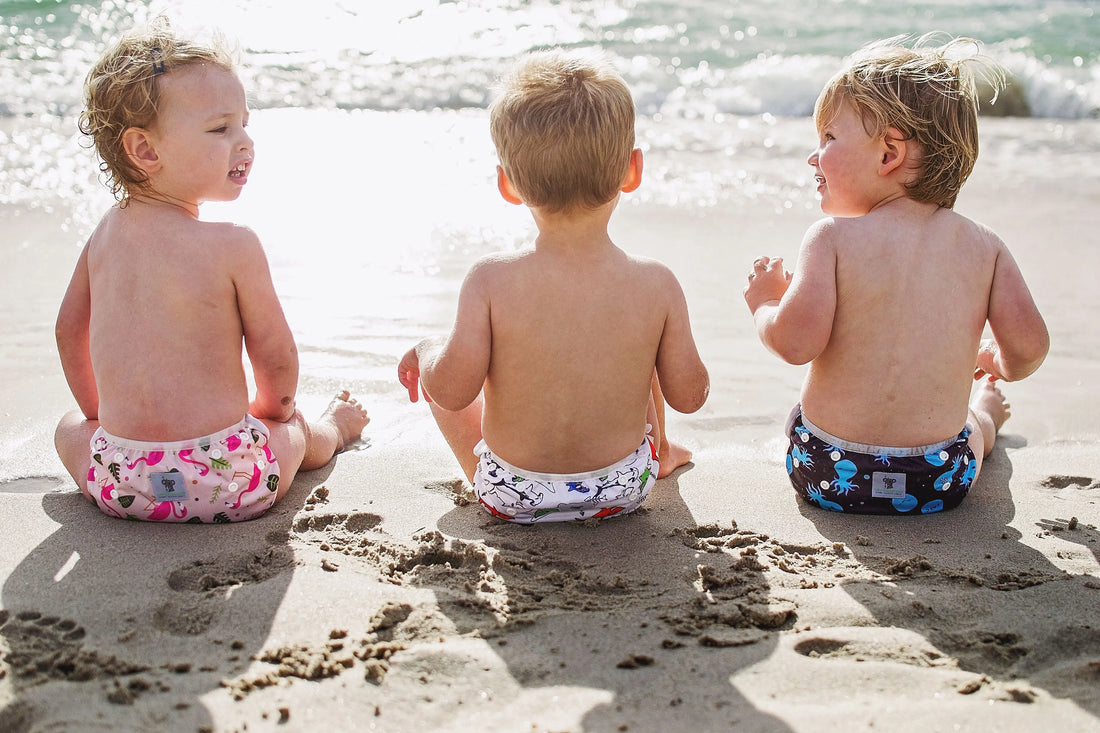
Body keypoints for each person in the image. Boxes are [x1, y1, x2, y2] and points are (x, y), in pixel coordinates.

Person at [53, 21, 369, 523]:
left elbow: (70, 331)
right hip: (232, 482)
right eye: (221, 128)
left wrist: (100, 418)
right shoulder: (234, 245)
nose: (244, 142)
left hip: (124, 483)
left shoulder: (103, 237)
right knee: (296, 433)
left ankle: (106, 446)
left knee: (69, 427)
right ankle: (337, 428)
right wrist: (275, 412)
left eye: (245, 123)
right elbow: (276, 352)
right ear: (146, 151)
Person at [398, 49, 709, 523]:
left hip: (513, 497)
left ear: (508, 184)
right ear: (633, 170)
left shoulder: (489, 279)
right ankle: (661, 453)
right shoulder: (655, 284)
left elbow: (454, 392)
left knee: (448, 364)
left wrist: (425, 354)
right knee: (640, 351)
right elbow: (689, 396)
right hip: (623, 490)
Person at [743, 34, 1048, 515]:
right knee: (973, 428)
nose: (813, 156)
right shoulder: (986, 248)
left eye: (828, 138)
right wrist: (995, 362)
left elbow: (795, 344)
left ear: (889, 154)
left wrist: (766, 304)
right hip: (940, 480)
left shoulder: (830, 238)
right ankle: (987, 417)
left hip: (826, 472)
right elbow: (1029, 350)